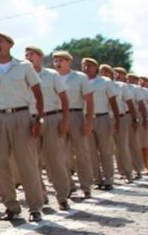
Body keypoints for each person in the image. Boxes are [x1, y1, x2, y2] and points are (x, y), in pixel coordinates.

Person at [0, 34, 45, 222]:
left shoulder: (23, 67)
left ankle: (35, 206)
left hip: (21, 116)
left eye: (1, 42)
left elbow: (37, 92)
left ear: (10, 45)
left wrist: (37, 119)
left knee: (26, 163)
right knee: (0, 162)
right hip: (0, 118)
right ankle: (11, 206)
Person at [25, 46, 71, 211]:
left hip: (51, 118)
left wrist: (65, 120)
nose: (28, 57)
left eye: (31, 54)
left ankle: (62, 196)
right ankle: (41, 195)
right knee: (32, 162)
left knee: (55, 161)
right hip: (30, 119)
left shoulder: (52, 75)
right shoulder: (23, 75)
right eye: (26, 54)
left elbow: (64, 99)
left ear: (40, 57)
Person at [52, 51, 95, 199]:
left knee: (81, 152)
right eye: (55, 60)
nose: (57, 63)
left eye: (61, 60)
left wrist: (89, 121)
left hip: (75, 115)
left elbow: (89, 100)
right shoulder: (51, 77)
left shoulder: (79, 78)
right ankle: (68, 185)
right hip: (56, 115)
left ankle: (86, 185)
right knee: (60, 154)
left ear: (68, 62)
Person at [82, 59, 119, 191]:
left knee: (105, 150)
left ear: (95, 68)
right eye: (84, 65)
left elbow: (113, 101)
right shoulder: (81, 81)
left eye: (90, 66)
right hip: (86, 118)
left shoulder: (105, 82)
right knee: (91, 151)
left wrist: (116, 119)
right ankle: (97, 179)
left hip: (102, 117)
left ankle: (108, 179)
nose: (86, 68)